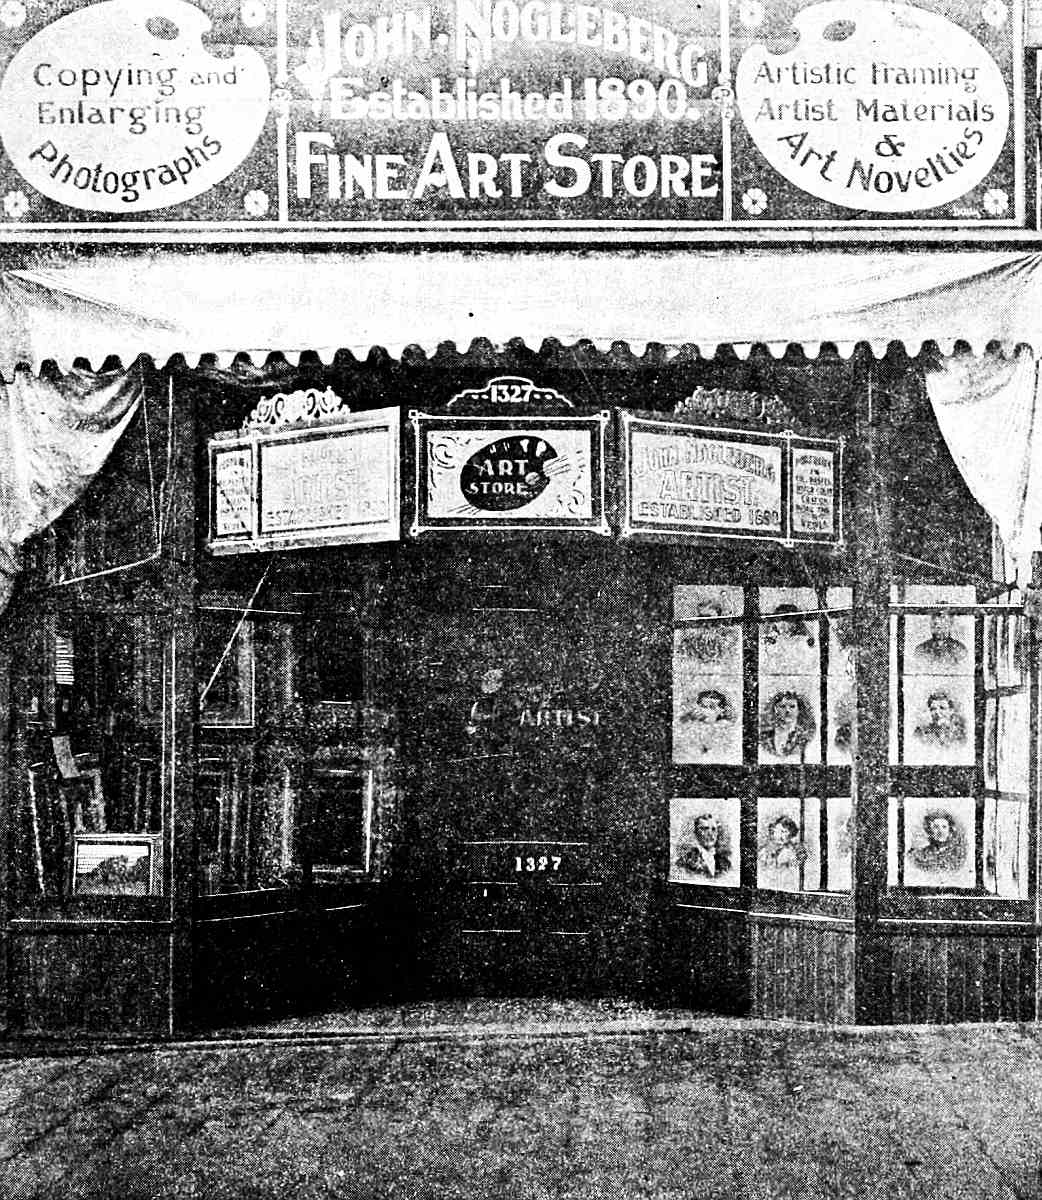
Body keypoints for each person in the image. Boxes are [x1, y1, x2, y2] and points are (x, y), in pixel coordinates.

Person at [676, 688, 736, 759]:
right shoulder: (692, 726)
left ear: (721, 710)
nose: (706, 710)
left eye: (712, 707)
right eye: (703, 706)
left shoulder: (723, 729)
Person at [759, 690, 816, 760]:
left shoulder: (806, 736)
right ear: (775, 710)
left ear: (799, 710)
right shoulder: (765, 737)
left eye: (792, 706)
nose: (787, 710)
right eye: (782, 706)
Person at [907, 809, 966, 874]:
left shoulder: (957, 854)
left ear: (949, 831)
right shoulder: (921, 854)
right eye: (936, 827)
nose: (940, 831)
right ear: (929, 830)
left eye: (944, 827)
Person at [675, 812, 732, 879]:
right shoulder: (685, 861)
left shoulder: (725, 863)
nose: (710, 834)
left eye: (713, 829)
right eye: (705, 829)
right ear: (696, 833)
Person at [758, 815, 808, 887]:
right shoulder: (764, 851)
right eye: (781, 831)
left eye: (787, 833)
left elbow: (794, 871)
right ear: (773, 830)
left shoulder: (793, 851)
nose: (784, 836)